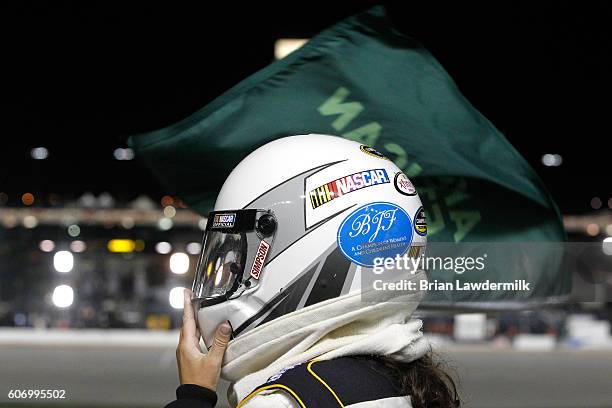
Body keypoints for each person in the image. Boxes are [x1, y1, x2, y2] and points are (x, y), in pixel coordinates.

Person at [165, 135, 460, 407]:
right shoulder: (405, 377)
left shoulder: (285, 401)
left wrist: (194, 396)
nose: (233, 272)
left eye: (237, 260)